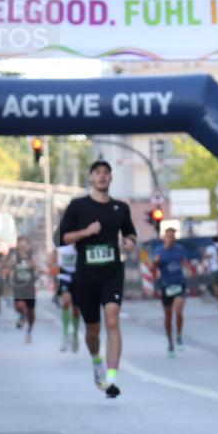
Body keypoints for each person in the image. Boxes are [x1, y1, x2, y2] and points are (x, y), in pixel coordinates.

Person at [59, 160, 137, 397]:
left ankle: (111, 379)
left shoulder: (120, 208)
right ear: (91, 177)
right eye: (98, 173)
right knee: (92, 330)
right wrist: (86, 232)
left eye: (106, 173)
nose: (102, 177)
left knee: (112, 320)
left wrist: (130, 242)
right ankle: (96, 362)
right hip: (86, 276)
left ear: (111, 178)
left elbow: (130, 232)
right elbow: (62, 238)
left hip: (112, 271)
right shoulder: (77, 206)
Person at [152, 226, 188, 357]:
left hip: (179, 283)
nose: (171, 238)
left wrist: (187, 270)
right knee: (168, 316)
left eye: (173, 236)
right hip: (166, 285)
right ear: (164, 237)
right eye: (168, 236)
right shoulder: (159, 250)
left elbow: (184, 262)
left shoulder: (179, 249)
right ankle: (170, 342)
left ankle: (178, 335)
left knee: (178, 312)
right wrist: (155, 262)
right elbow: (153, 266)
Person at [6, 236, 39, 344]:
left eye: (24, 245)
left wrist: (28, 261)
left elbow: (37, 265)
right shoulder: (14, 254)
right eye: (20, 245)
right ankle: (21, 315)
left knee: (31, 313)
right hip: (18, 286)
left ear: (28, 245)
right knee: (19, 305)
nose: (22, 247)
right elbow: (8, 266)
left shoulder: (31, 254)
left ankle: (29, 332)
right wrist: (13, 263)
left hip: (30, 286)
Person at [55, 238, 80, 352]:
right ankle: (65, 335)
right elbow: (52, 261)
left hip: (79, 279)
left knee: (76, 310)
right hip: (65, 278)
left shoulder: (83, 250)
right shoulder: (63, 250)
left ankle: (75, 334)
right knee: (66, 302)